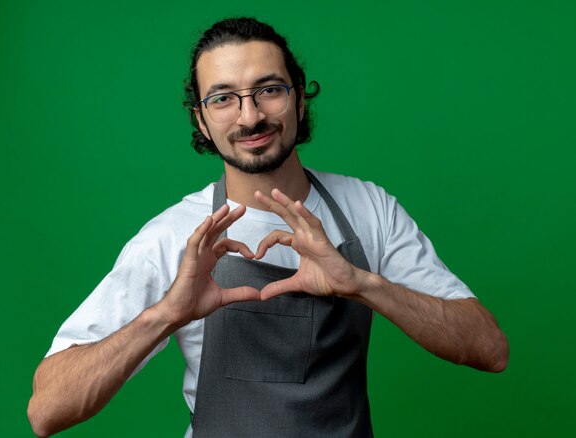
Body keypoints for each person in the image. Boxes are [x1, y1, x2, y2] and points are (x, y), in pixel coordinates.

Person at [28, 17, 509, 437]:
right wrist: (167, 314)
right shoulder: (172, 236)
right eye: (223, 99)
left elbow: (488, 348)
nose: (250, 115)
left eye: (269, 89)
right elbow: (47, 412)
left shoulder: (369, 208)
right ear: (201, 118)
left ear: (299, 99)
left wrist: (362, 284)